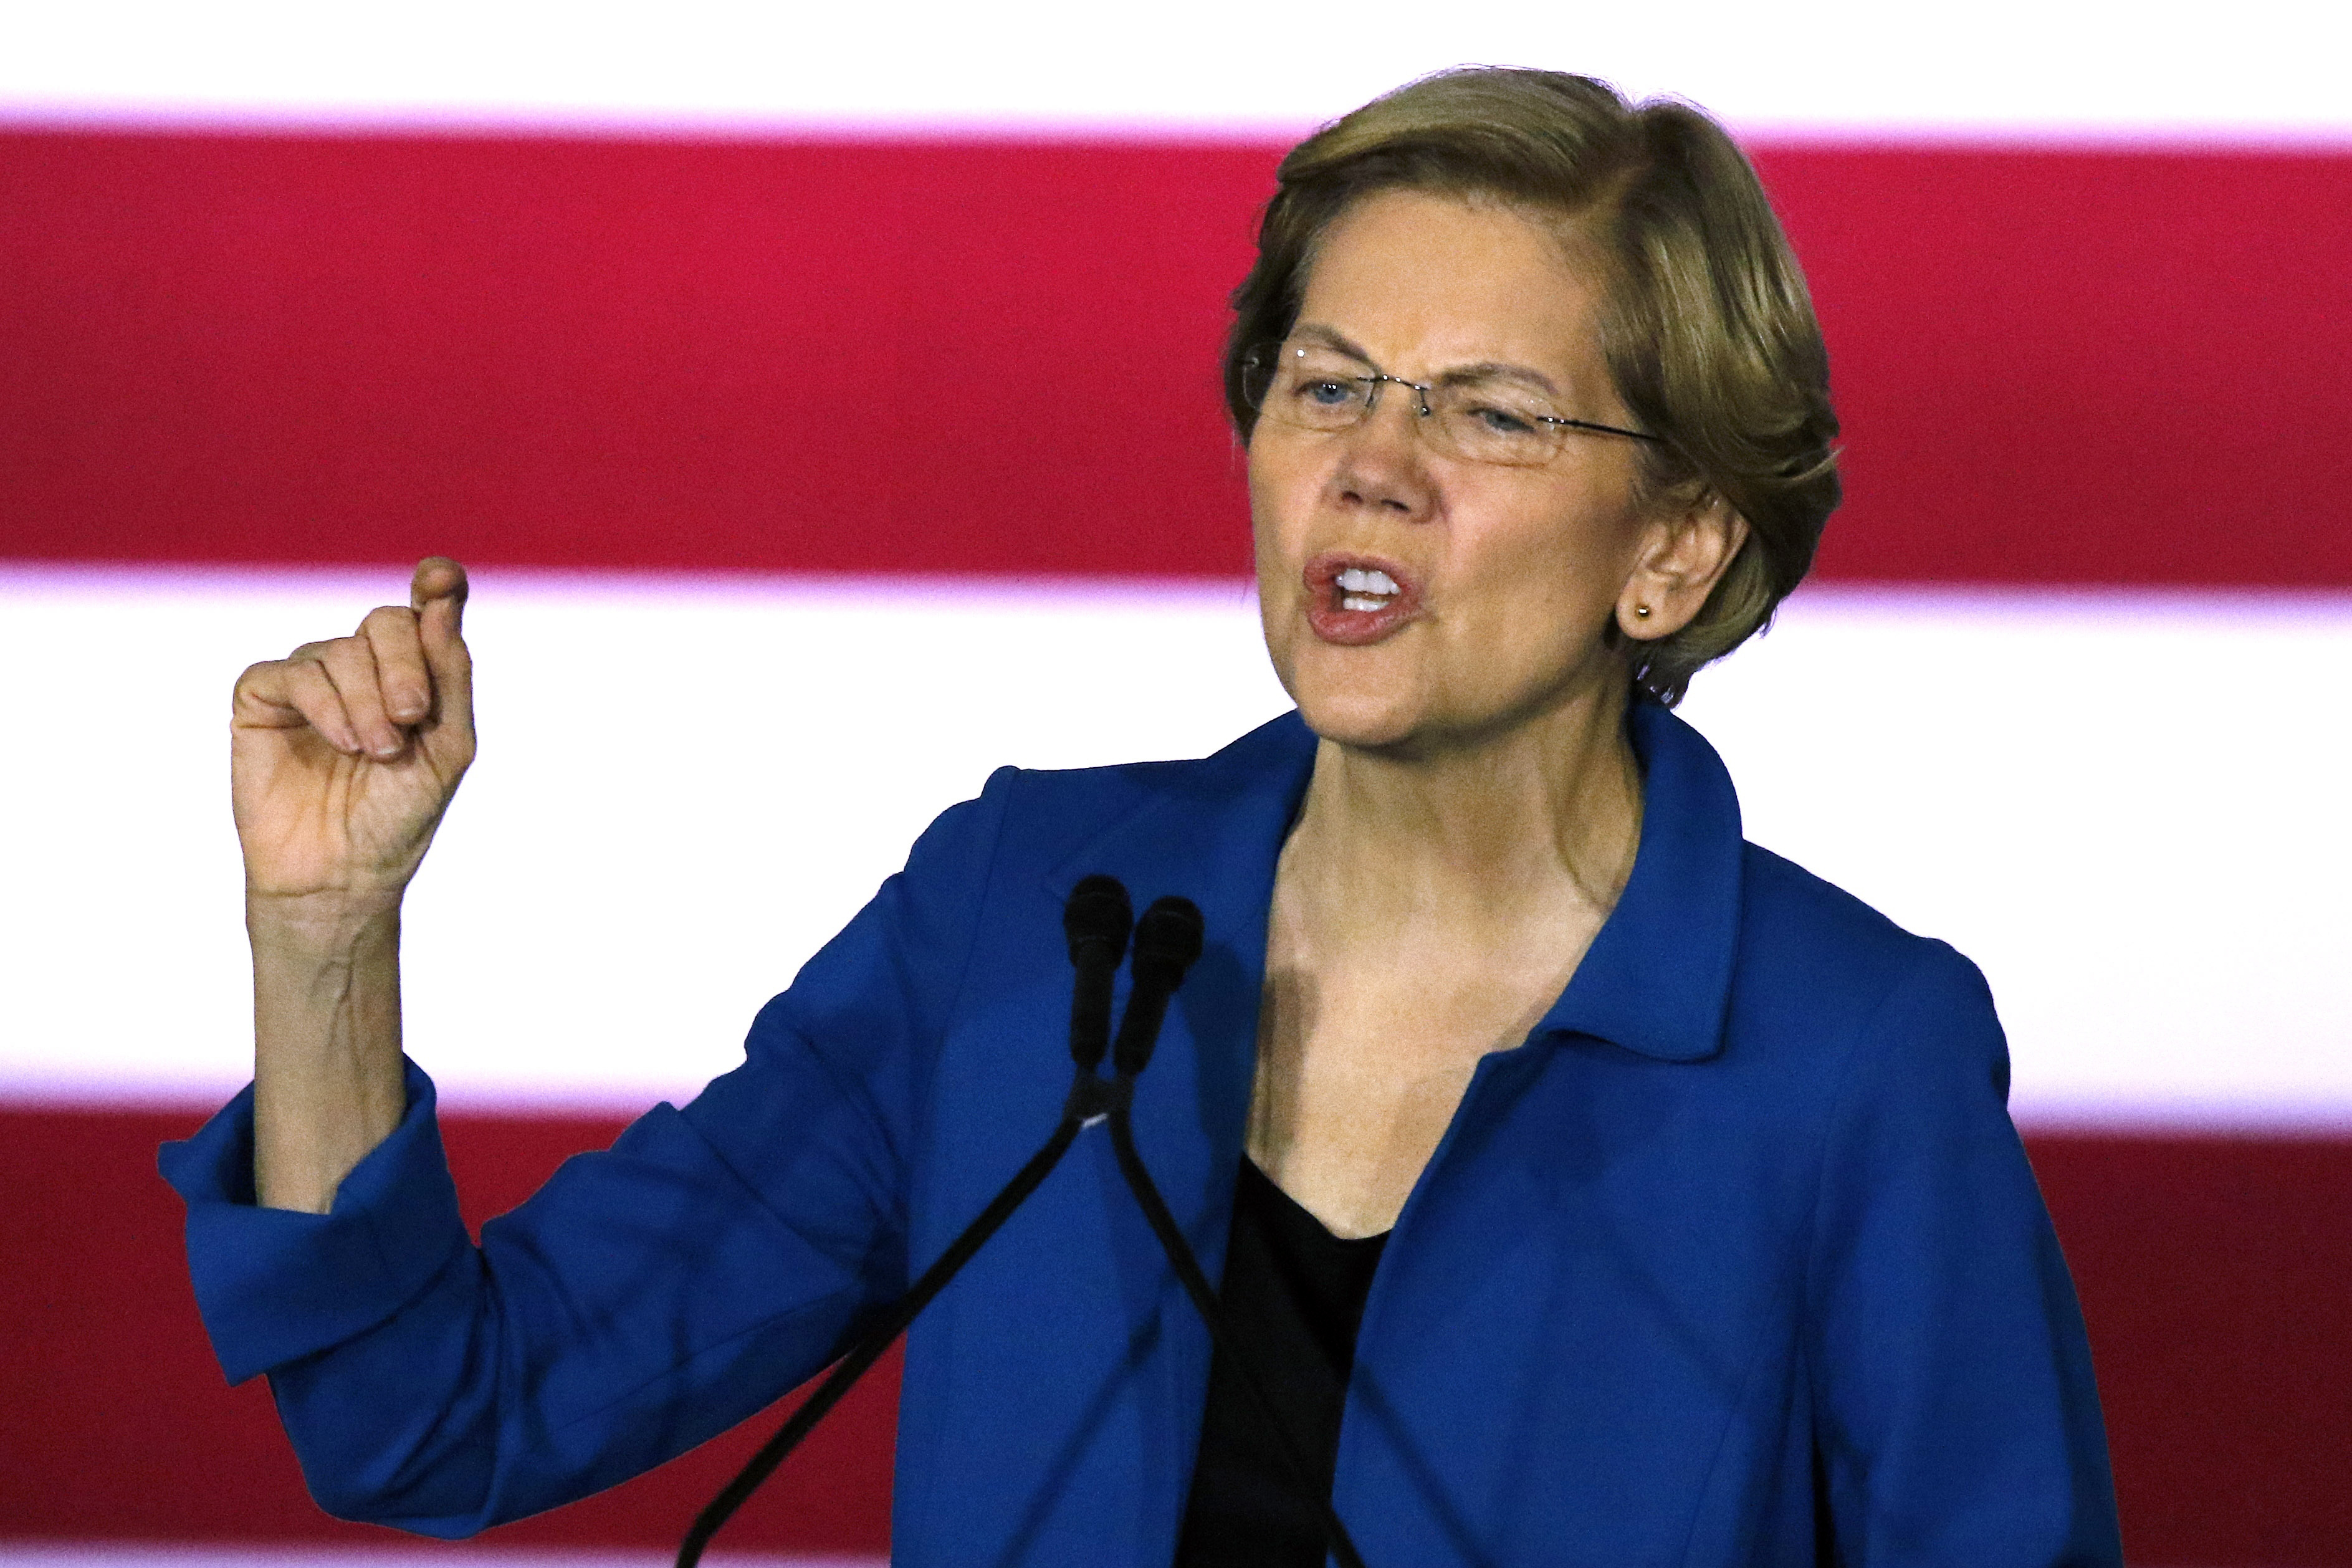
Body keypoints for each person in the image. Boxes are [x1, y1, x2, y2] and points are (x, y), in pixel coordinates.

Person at [163, 67, 2123, 1566]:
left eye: (1490, 412)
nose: (1370, 469)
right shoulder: (1022, 914)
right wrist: (326, 941)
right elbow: (436, 1410)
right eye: (1324, 383)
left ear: (1677, 545)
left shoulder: (1850, 1058)